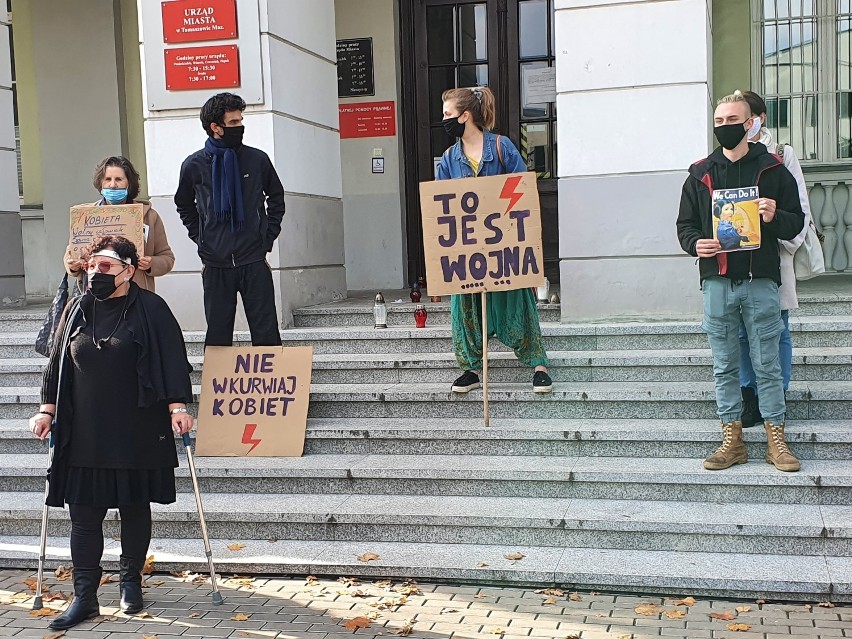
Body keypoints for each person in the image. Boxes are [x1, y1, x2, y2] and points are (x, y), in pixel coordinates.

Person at [29, 235, 194, 630]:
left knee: (134, 507)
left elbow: (172, 358)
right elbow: (56, 364)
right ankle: (85, 597)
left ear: (128, 269)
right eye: (91, 266)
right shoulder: (76, 308)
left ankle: (130, 582)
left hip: (137, 427)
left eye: (105, 267)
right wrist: (46, 409)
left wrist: (177, 406)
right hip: (84, 430)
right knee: (84, 516)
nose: (96, 273)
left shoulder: (151, 308)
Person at [676, 92, 805, 472]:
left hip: (760, 280)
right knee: (724, 364)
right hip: (716, 281)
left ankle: (775, 439)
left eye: (732, 120)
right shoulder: (699, 173)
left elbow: (796, 221)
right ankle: (732, 440)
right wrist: (694, 244)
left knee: (768, 364)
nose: (725, 127)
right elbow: (685, 226)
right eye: (718, 121)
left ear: (750, 124)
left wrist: (774, 215)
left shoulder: (773, 168)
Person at [436, 86, 552, 394]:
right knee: (465, 308)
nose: (443, 120)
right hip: (467, 250)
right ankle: (471, 369)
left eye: (448, 114)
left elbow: (522, 192)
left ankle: (538, 364)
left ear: (465, 116)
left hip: (505, 248)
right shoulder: (448, 159)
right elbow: (441, 204)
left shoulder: (501, 148)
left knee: (519, 303)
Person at [175, 92, 285, 347]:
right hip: (215, 264)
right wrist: (201, 238)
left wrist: (266, 238)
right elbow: (184, 205)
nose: (240, 126)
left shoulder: (257, 159)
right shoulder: (193, 165)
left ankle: (271, 385)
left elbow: (276, 198)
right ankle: (217, 387)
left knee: (266, 329)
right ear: (216, 127)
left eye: (240, 120)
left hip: (253, 259)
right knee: (218, 334)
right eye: (233, 122)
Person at [737, 90, 814, 427]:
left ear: (759, 119)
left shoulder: (782, 155)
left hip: (775, 255)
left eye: (746, 118)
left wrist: (785, 235)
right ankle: (749, 395)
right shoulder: (729, 156)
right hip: (738, 257)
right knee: (741, 331)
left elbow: (799, 205)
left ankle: (778, 393)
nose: (741, 125)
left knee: (777, 328)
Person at [65, 156, 175, 293]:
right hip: (95, 296)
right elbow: (71, 254)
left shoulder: (149, 217)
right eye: (107, 179)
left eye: (118, 179)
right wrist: (72, 266)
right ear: (100, 183)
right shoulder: (85, 216)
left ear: (129, 184)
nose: (112, 185)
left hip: (135, 295)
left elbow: (167, 258)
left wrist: (151, 263)